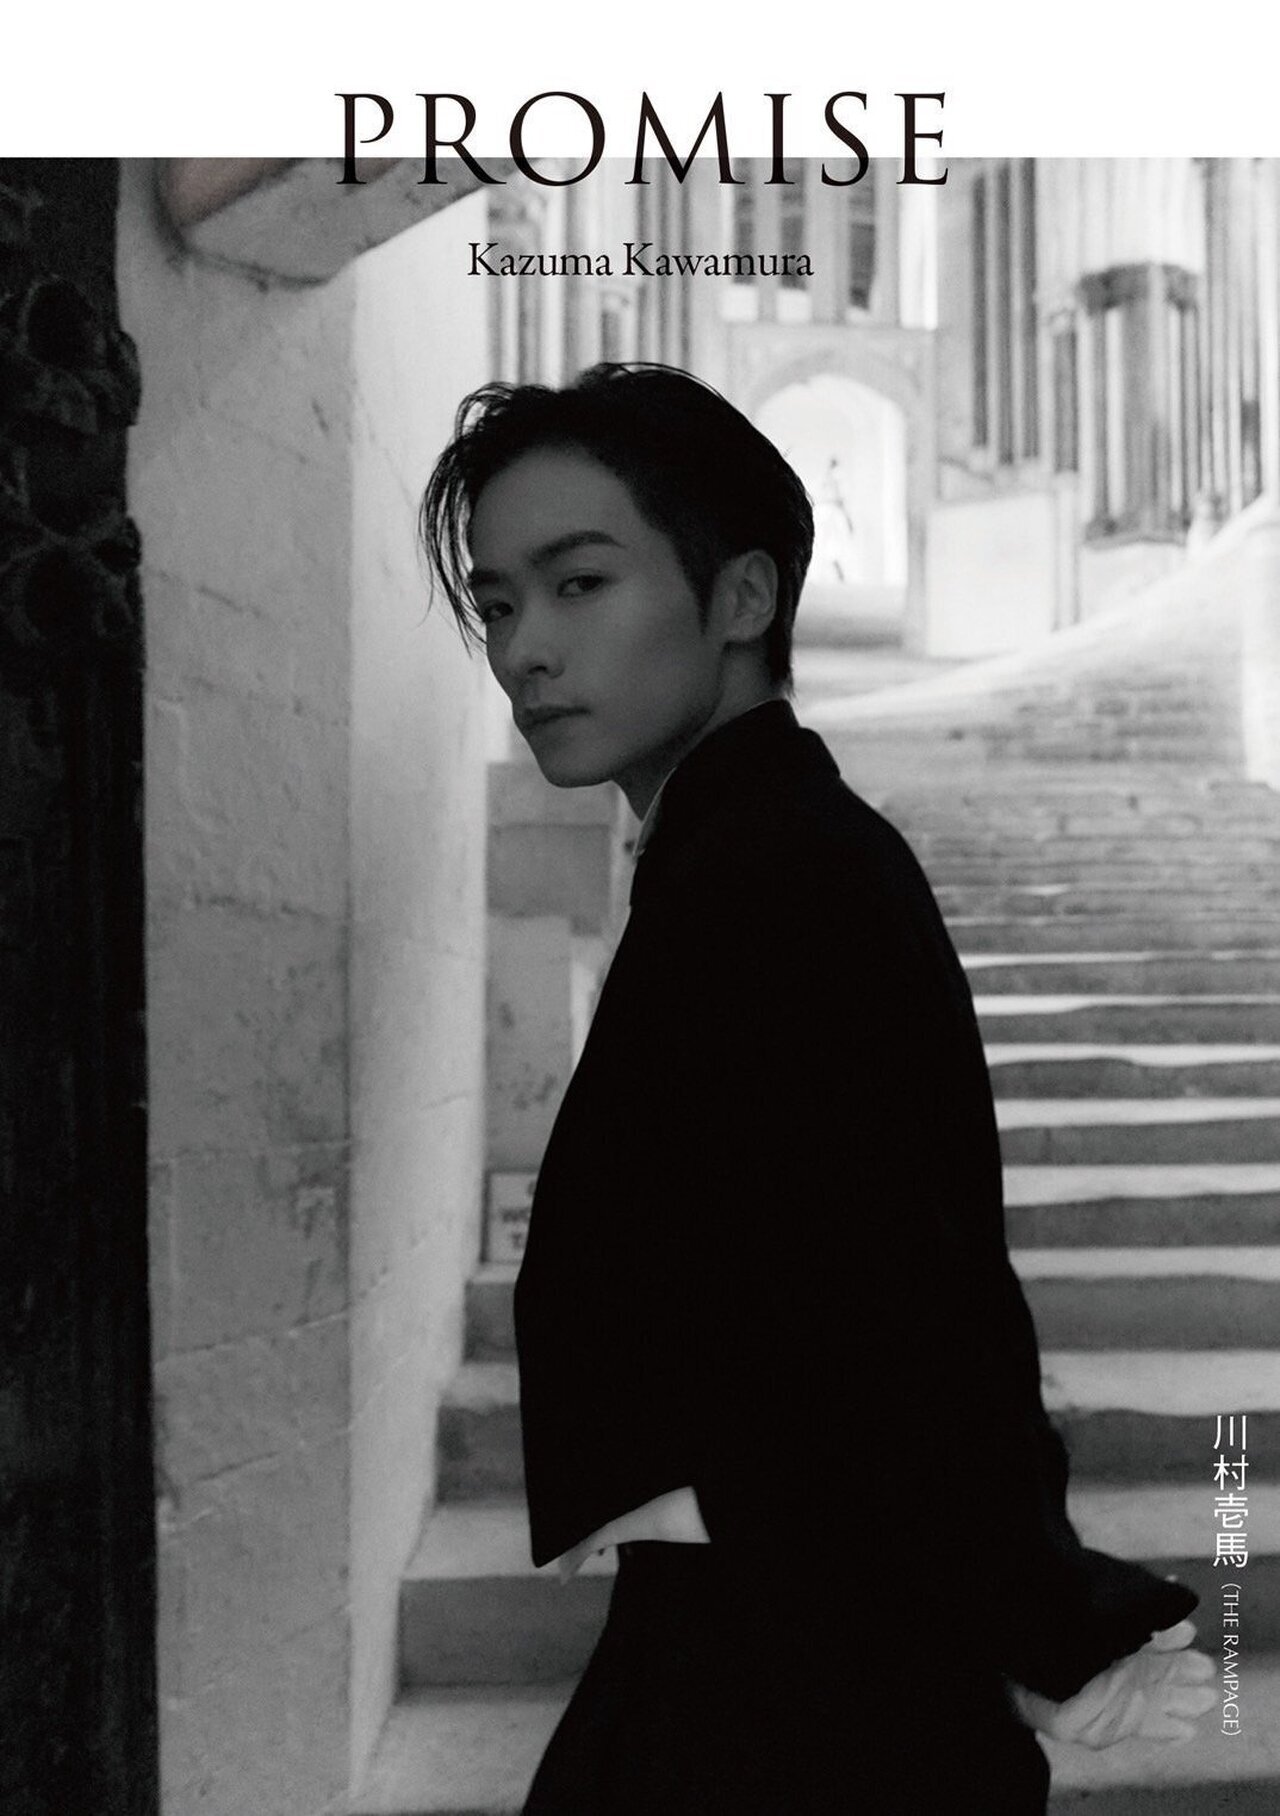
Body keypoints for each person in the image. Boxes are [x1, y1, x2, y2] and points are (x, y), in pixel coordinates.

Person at [419, 363, 1214, 1813]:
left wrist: (1030, 1606)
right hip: (765, 1631)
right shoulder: (741, 854)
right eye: (499, 603)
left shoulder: (783, 873)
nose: (525, 649)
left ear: (741, 596)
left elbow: (917, 1297)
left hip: (803, 1671)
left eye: (580, 584)